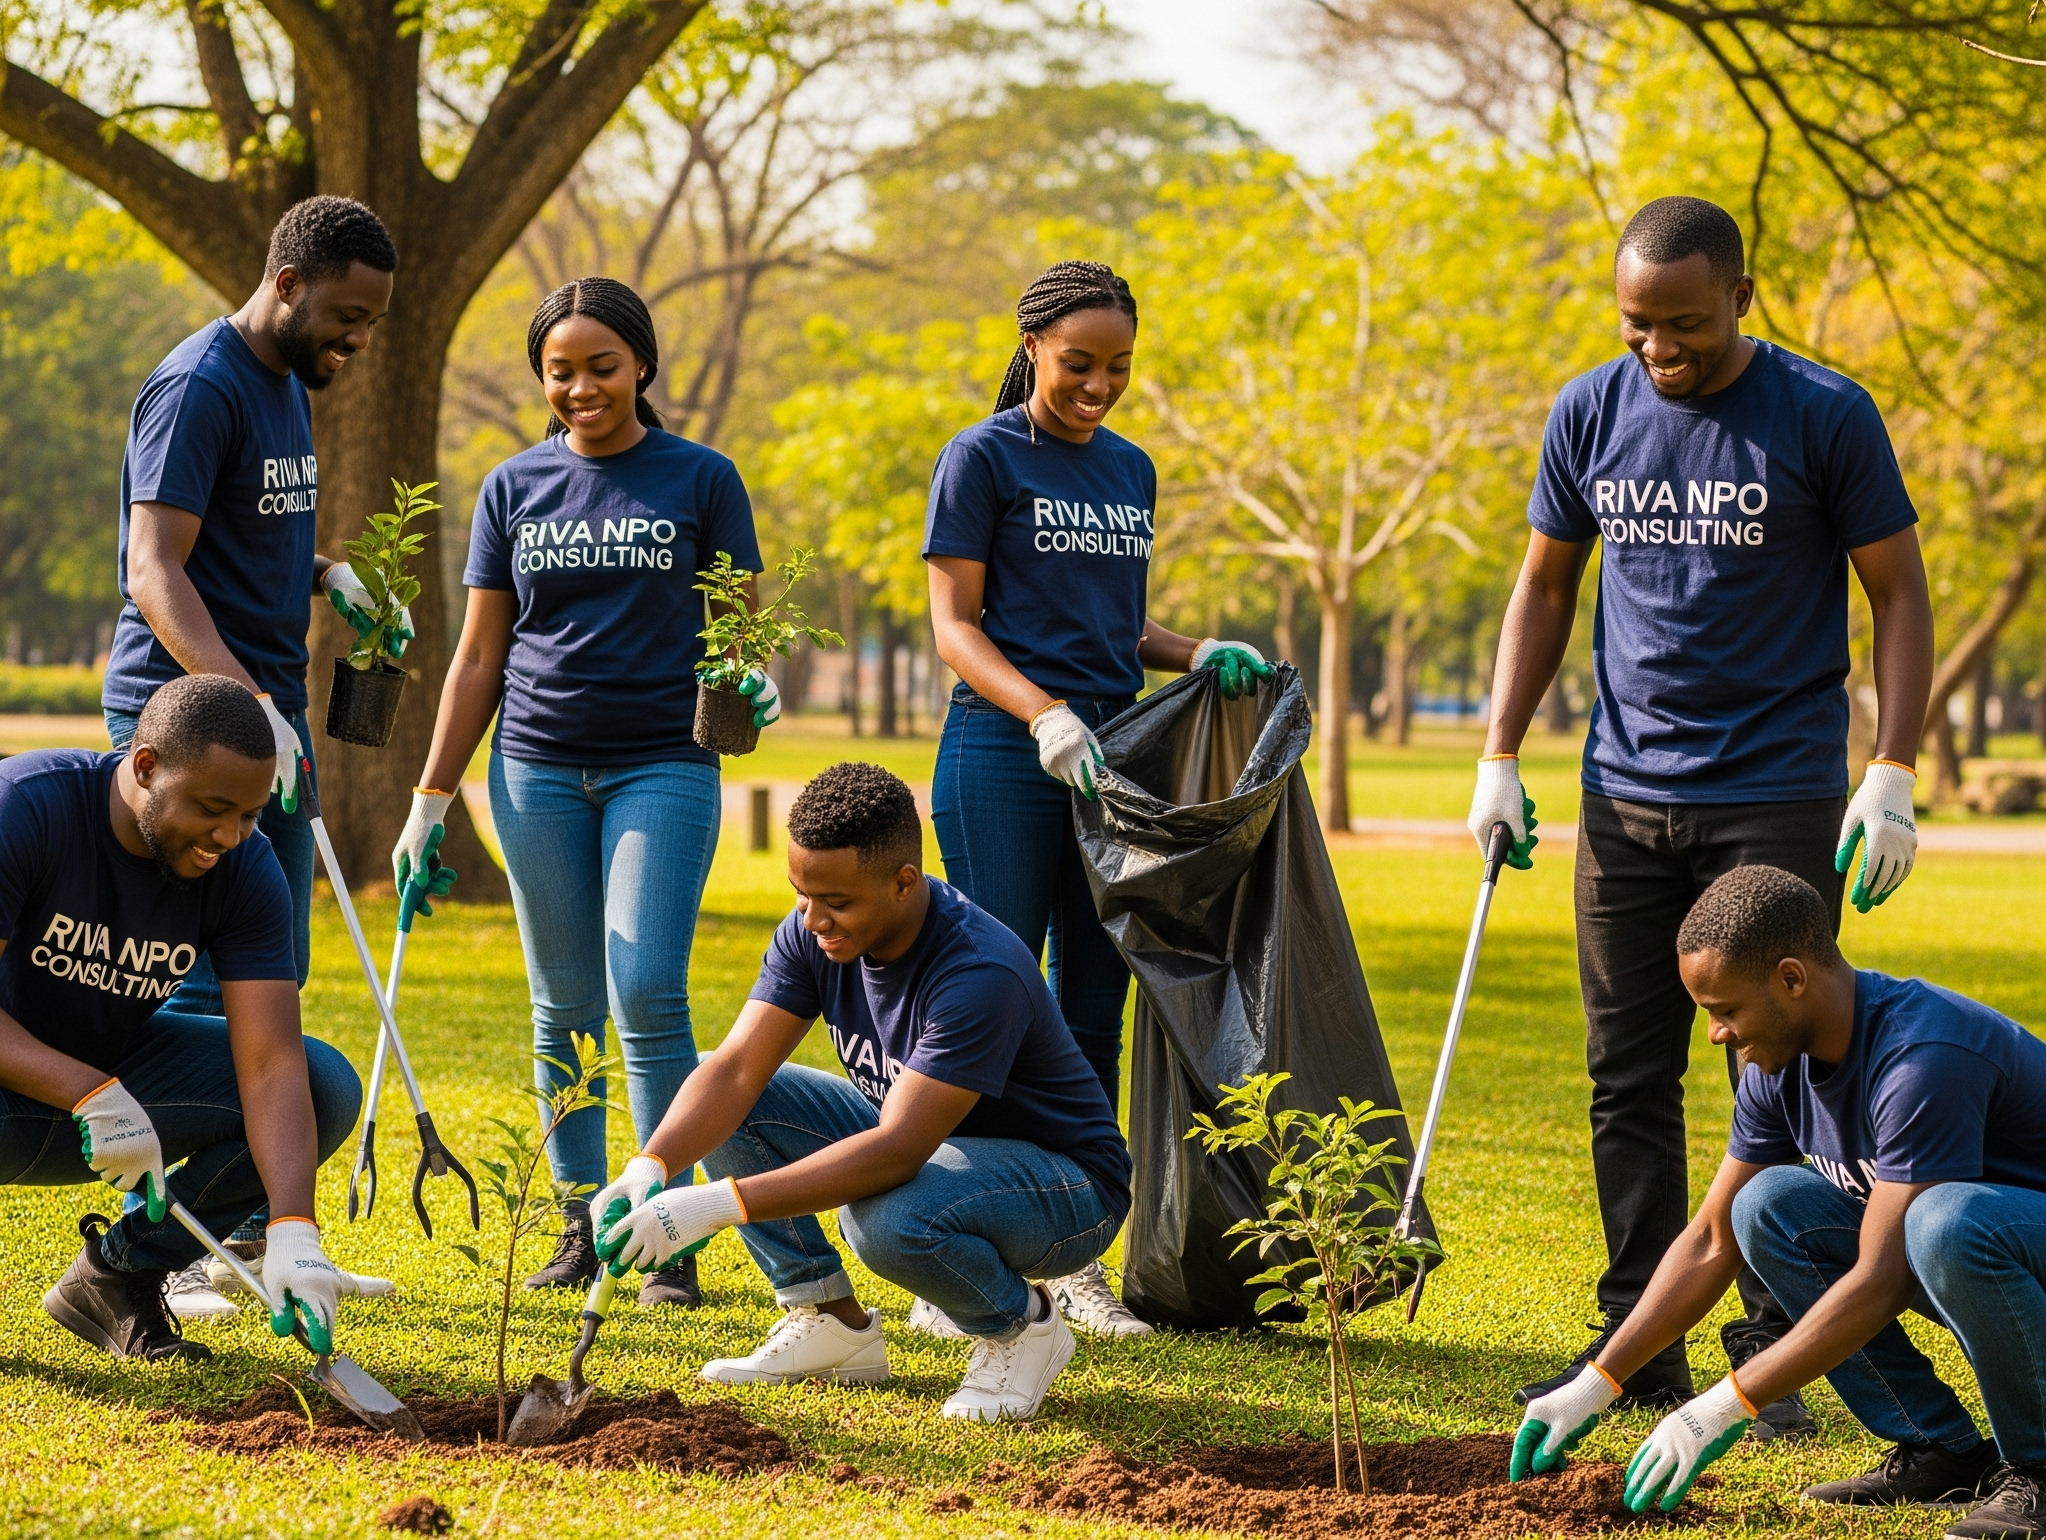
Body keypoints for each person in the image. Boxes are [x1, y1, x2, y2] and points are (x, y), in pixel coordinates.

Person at [1473, 195, 1935, 1432]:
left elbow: (1897, 590)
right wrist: (1501, 753)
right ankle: (1642, 1334)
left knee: (1775, 1064)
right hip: (1624, 794)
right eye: (1637, 327)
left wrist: (1891, 764)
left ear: (1742, 294)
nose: (1660, 350)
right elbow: (1545, 582)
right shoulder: (1591, 408)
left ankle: (1775, 1327)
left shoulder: (1822, 413)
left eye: (1683, 324)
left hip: (1776, 787)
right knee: (1624, 1072)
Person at [395, 277, 774, 1311]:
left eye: (601, 366)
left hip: (665, 761)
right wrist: (432, 799)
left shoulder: (701, 478)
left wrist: (755, 676)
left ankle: (664, 1228)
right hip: (535, 770)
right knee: (561, 1005)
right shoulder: (512, 487)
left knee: (647, 990)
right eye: (560, 371)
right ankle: (577, 1217)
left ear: (641, 365)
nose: (580, 388)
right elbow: (478, 656)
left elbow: (741, 628)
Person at [924, 259, 1272, 1336]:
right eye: (1080, 363)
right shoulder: (980, 459)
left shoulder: (1130, 468)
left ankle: (1073, 1256)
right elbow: (956, 625)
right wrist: (1041, 712)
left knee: (1092, 1006)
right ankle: (965, 1244)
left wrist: (1195, 649)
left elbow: (1113, 624)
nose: (1100, 384)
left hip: (1108, 764)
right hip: (1001, 752)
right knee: (989, 998)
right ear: (1032, 347)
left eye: (1119, 365)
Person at [1511, 865, 2046, 1540]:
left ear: (1791, 979)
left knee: (1943, 1223)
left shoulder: (1922, 1057)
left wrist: (1723, 1406)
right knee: (1766, 1204)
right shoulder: (1775, 1063)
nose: (1715, 1034)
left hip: (1998, 1244)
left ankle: (2041, 1469)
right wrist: (1598, 1381)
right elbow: (1710, 1239)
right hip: (1984, 1262)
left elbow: (1882, 1280)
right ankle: (1940, 1452)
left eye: (1725, 1010)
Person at [587, 762, 1132, 1422]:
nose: (813, 919)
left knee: (888, 1219)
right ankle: (827, 1319)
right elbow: (735, 1070)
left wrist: (714, 1205)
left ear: (904, 883)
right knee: (735, 1099)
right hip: (938, 1156)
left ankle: (1022, 1328)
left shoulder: (977, 972)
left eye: (836, 902)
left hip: (1065, 1189)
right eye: (801, 895)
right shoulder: (814, 930)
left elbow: (898, 1151)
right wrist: (653, 1165)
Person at [100, 194, 399, 1313]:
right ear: (286, 282)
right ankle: (155, 1260)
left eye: (369, 320)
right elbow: (154, 568)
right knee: (188, 1000)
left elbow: (240, 522)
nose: (357, 338)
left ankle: (236, 1239)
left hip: (267, 721)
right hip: (190, 729)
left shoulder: (283, 383)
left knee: (267, 983)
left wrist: (323, 573)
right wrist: (243, 704)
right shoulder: (200, 383)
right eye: (347, 314)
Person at [0, 677, 371, 1363]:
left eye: (251, 815)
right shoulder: (25, 806)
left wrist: (294, 1227)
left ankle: (119, 1275)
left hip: (103, 1091)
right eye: (212, 807)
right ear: (145, 766)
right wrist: (87, 1090)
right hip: (34, 1089)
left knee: (322, 1085)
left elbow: (270, 1062)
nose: (229, 835)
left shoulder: (242, 867)